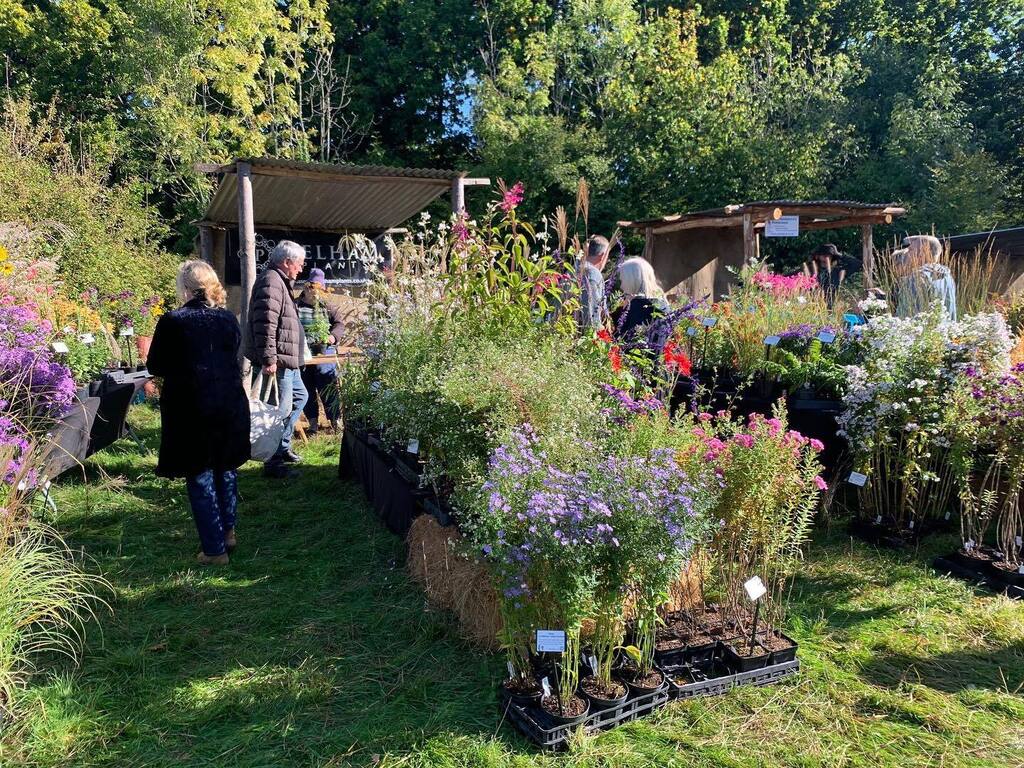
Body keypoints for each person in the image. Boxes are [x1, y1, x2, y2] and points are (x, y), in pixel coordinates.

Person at [147, 261, 250, 566]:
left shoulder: (173, 321)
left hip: (192, 407)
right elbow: (232, 353)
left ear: (185, 288)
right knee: (226, 466)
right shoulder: (227, 319)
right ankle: (227, 532)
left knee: (200, 473)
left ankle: (214, 550)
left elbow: (156, 365)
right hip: (229, 401)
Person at [245, 240, 309, 477]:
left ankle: (281, 446)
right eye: (299, 264)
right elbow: (265, 324)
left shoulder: (280, 282)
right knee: (275, 411)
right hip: (278, 361)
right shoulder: (271, 281)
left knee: (300, 398)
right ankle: (272, 463)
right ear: (287, 262)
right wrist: (269, 358)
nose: (300, 269)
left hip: (287, 361)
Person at [297, 268, 344, 434]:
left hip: (325, 351)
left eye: (318, 288)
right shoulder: (296, 306)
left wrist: (333, 337)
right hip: (303, 352)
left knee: (327, 380)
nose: (314, 292)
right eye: (312, 288)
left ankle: (335, 421)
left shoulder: (328, 305)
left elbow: (339, 324)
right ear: (306, 287)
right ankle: (313, 423)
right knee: (306, 386)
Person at [894, 235, 957, 320]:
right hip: (945, 332)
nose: (907, 252)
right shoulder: (947, 277)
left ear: (923, 252)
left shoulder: (917, 278)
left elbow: (905, 318)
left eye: (911, 250)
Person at [613, 257, 670, 344]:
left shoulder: (636, 307)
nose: (621, 286)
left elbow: (623, 340)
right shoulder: (662, 304)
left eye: (623, 280)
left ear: (631, 281)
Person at [580, 235, 610, 330]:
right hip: (584, 335)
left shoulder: (572, 268)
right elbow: (592, 310)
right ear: (603, 255)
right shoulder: (593, 273)